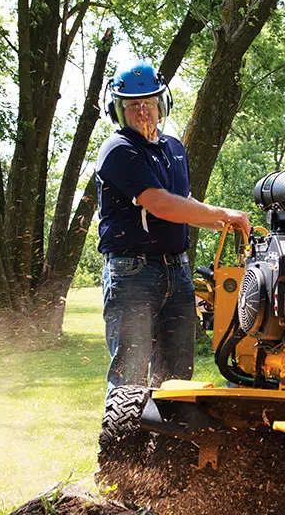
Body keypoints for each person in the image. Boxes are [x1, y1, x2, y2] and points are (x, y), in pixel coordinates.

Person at [96, 61, 250, 392]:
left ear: (161, 105)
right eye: (132, 106)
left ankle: (168, 444)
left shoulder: (174, 149)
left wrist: (228, 224)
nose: (142, 113)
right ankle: (122, 443)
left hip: (177, 270)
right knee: (130, 374)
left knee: (177, 374)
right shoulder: (118, 149)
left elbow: (185, 206)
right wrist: (223, 214)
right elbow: (161, 204)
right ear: (118, 112)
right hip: (132, 273)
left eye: (148, 103)